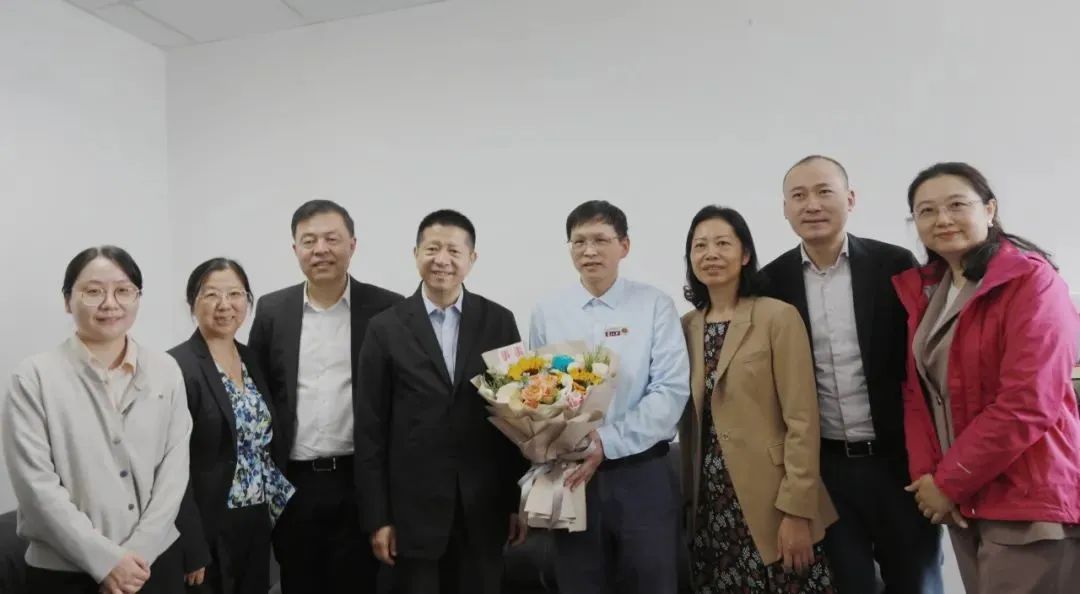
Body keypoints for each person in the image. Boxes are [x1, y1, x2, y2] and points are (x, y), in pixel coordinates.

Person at [759, 155, 943, 593]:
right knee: (848, 583)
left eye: (824, 191)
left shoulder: (894, 264)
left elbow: (923, 365)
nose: (812, 205)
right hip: (828, 470)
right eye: (799, 196)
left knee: (916, 581)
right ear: (785, 208)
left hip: (899, 463)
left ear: (850, 199)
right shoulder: (771, 283)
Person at [894, 162, 1080, 593]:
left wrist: (948, 481)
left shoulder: (1032, 281)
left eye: (957, 205)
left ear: (990, 209)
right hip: (965, 499)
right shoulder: (933, 291)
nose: (942, 219)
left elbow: (1027, 402)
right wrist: (929, 479)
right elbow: (918, 393)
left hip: (1027, 500)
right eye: (926, 211)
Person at [355, 209, 527, 594]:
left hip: (484, 507)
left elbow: (517, 418)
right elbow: (370, 429)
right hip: (412, 512)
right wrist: (377, 518)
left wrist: (516, 501)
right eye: (432, 249)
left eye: (453, 250)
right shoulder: (385, 328)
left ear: (472, 258)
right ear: (415, 253)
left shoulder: (499, 321)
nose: (442, 260)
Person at [2, 245, 192, 594]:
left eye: (123, 290)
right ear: (67, 300)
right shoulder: (34, 377)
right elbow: (36, 487)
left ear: (138, 298)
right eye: (93, 291)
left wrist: (138, 554)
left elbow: (174, 472)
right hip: (65, 572)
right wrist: (106, 562)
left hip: (153, 565)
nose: (110, 303)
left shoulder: (166, 371)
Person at [528, 200, 690, 594]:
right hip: (572, 477)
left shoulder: (654, 305)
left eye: (600, 240)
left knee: (651, 582)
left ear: (624, 246)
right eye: (579, 241)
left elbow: (670, 391)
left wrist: (605, 441)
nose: (589, 251)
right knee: (578, 583)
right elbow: (537, 393)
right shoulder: (548, 311)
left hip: (641, 473)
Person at [247, 200, 403, 594]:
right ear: (295, 249)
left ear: (353, 244)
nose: (320, 250)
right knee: (298, 582)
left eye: (331, 239)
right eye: (309, 241)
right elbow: (259, 394)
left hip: (360, 480)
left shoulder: (387, 309)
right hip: (294, 482)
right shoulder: (272, 310)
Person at [679, 206, 837, 593]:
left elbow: (802, 419)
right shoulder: (685, 327)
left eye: (722, 243)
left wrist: (797, 510)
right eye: (700, 246)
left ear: (745, 253)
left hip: (773, 499)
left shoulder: (777, 317)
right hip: (710, 503)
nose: (711, 254)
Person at [168, 258, 294, 594]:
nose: (224, 305)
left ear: (248, 301)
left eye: (235, 294)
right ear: (192, 302)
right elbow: (169, 466)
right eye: (211, 295)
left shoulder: (252, 359)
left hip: (257, 517)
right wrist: (191, 542)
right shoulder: (176, 367)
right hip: (208, 523)